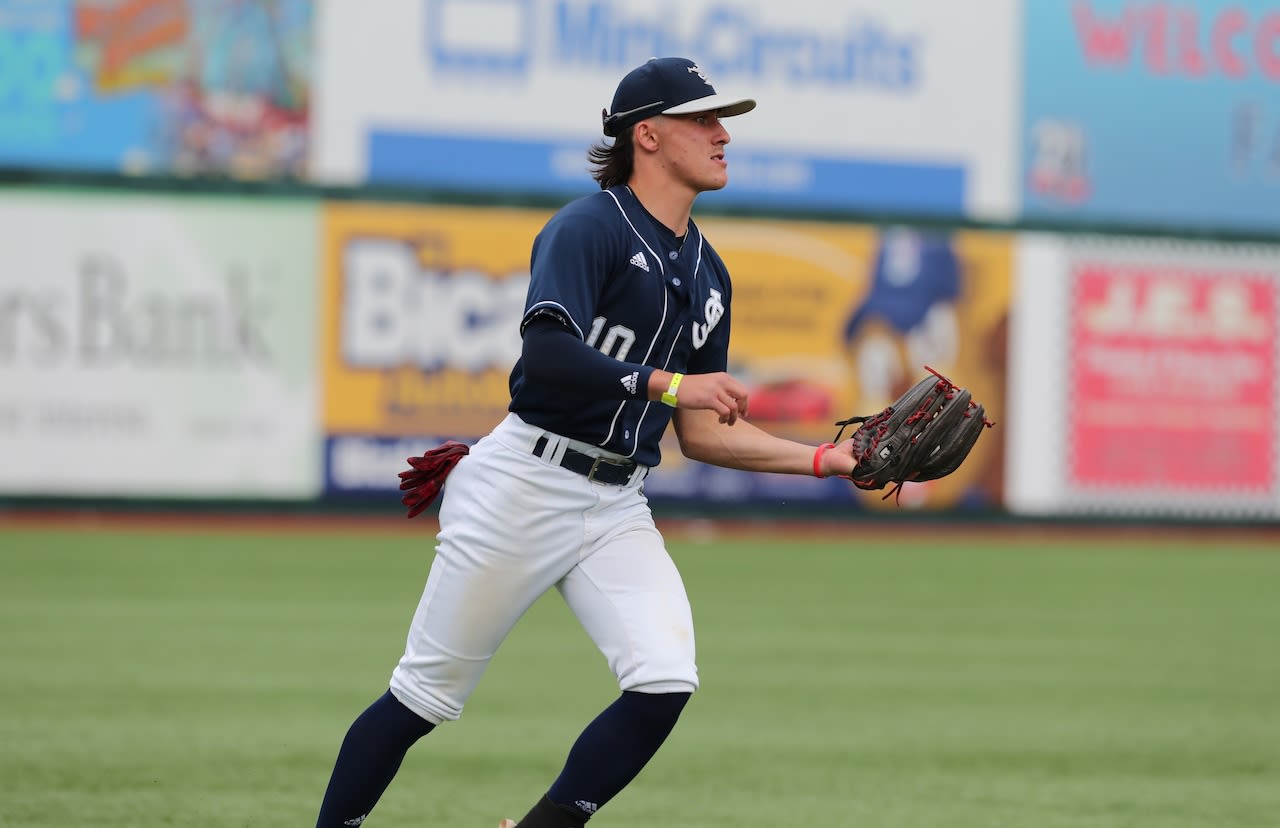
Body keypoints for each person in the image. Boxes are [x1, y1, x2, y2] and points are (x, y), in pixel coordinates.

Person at [314, 56, 859, 828]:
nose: (722, 133)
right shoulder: (587, 227)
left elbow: (703, 434)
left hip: (614, 503)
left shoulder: (709, 273)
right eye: (703, 118)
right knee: (423, 699)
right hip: (520, 484)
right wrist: (666, 384)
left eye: (721, 119)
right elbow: (546, 352)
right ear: (648, 135)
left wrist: (822, 461)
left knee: (665, 680)